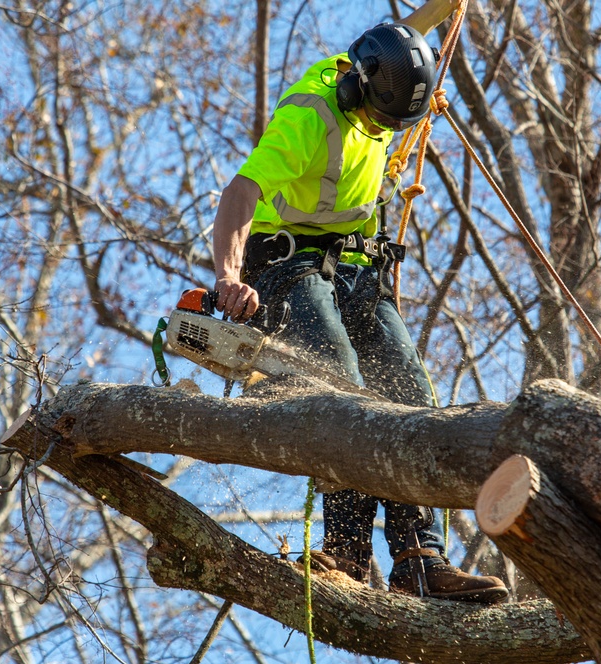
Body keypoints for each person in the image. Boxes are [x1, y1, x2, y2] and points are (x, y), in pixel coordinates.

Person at [212, 0, 508, 603]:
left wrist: (444, 8)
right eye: (376, 120)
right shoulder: (309, 117)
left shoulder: (383, 63)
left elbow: (406, 35)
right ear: (355, 86)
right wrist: (228, 276)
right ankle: (346, 552)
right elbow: (240, 191)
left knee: (410, 394)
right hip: (284, 267)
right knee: (342, 385)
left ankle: (419, 557)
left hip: (353, 266)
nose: (379, 132)